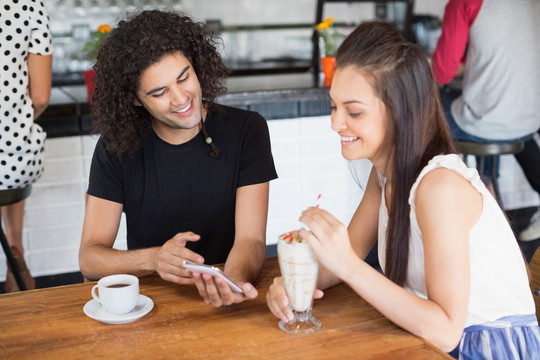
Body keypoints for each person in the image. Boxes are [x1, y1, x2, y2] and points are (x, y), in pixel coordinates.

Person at [266, 21, 540, 358]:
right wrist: (296, 284)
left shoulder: (439, 188)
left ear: (399, 112)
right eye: (333, 106)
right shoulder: (383, 177)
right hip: (426, 342)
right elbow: (342, 260)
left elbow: (445, 330)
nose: (335, 123)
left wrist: (350, 265)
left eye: (353, 111)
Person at [79, 10, 277, 308]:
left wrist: (230, 282)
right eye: (160, 92)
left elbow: (251, 241)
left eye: (184, 78)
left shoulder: (247, 130)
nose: (181, 98)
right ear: (135, 99)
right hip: (150, 303)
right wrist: (153, 259)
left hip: (228, 296)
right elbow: (90, 258)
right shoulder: (116, 147)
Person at [431, 0, 540, 241]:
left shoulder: (464, 3)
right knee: (493, 114)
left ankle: (442, 207)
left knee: (429, 113)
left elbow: (443, 71)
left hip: (486, 122)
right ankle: (487, 183)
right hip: (529, 120)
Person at [0, 0, 54, 292]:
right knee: (9, 157)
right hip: (15, 160)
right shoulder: (29, 5)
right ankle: (15, 250)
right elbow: (41, 97)